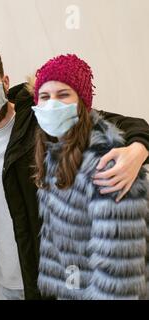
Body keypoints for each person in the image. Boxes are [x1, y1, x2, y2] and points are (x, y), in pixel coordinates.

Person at [0, 46, 149, 300]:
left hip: (43, 276)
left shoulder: (40, 116)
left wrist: (139, 148)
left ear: (5, 82)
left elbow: (117, 123)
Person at [33, 54, 148, 299]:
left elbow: (118, 274)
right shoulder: (54, 151)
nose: (52, 103)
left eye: (63, 94)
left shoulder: (107, 163)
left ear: (83, 103)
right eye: (44, 96)